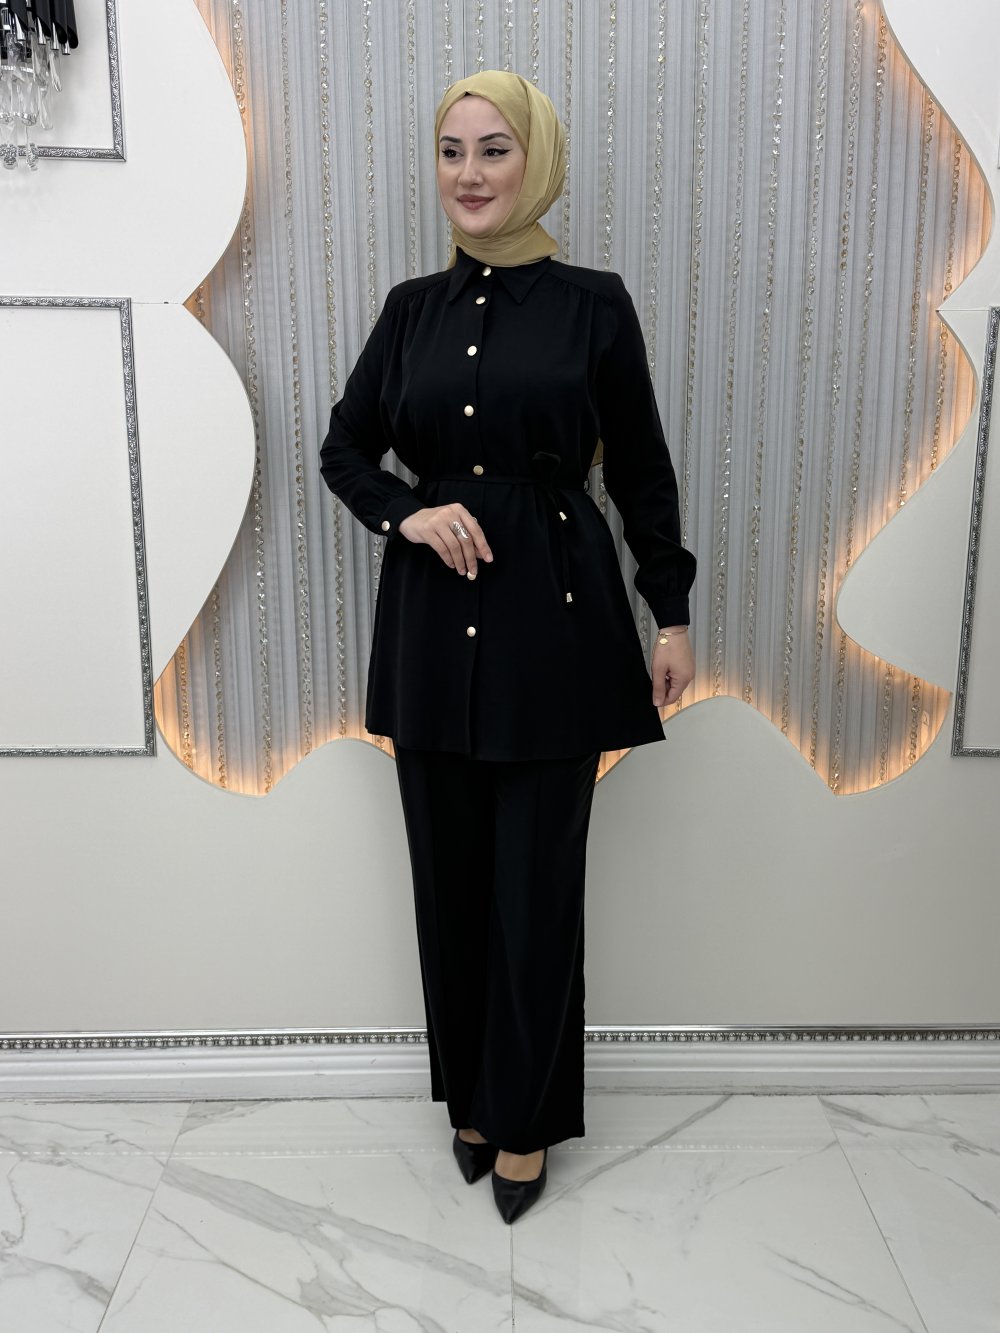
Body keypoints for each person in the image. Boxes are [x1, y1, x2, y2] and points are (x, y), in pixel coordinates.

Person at [319, 70, 696, 1224]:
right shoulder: (409, 312)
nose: (470, 173)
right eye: (451, 150)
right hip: (430, 633)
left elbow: (639, 467)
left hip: (557, 626)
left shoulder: (593, 305)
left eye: (493, 148)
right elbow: (343, 451)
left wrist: (669, 608)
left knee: (535, 890)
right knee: (450, 886)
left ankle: (524, 1116)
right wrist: (406, 512)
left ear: (535, 160)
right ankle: (472, 1103)